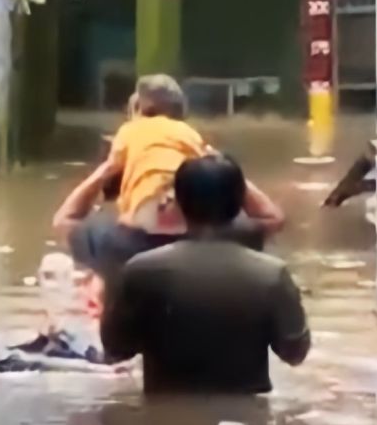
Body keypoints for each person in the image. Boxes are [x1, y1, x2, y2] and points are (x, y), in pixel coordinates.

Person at [52, 74, 283, 293]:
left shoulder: (130, 132)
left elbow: (65, 219)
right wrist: (218, 162)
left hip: (136, 237)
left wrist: (108, 168)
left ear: (139, 110)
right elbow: (272, 218)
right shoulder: (190, 135)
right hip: (197, 234)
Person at [101, 154, 311, 395]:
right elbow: (295, 353)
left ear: (179, 203)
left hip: (166, 419)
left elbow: (116, 349)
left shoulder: (141, 270)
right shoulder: (271, 274)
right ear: (239, 204)